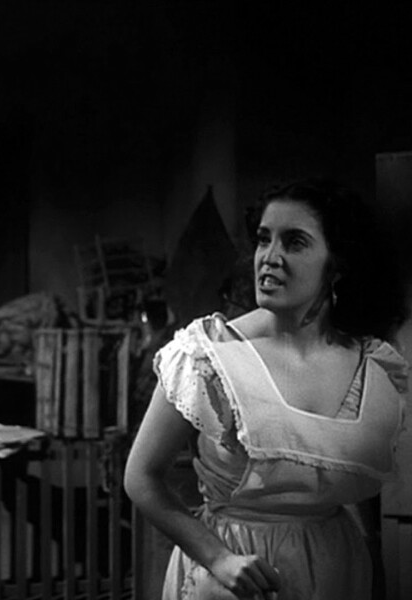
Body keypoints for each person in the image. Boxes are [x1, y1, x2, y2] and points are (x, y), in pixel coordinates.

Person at [124, 178, 409, 599]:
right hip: (234, 574)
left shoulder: (371, 363)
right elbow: (140, 477)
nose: (270, 258)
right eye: (263, 239)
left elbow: (350, 488)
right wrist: (218, 558)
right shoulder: (207, 354)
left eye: (294, 242)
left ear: (337, 264)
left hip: (337, 568)